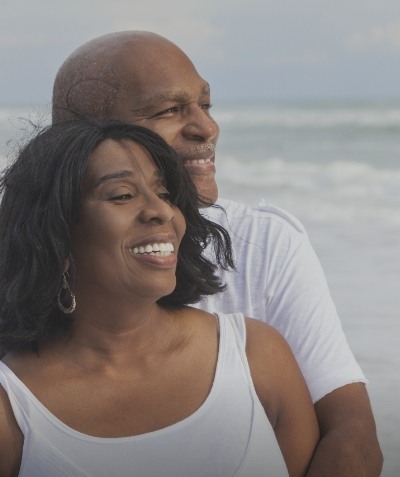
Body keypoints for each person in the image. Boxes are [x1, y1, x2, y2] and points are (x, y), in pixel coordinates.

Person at [51, 32, 382, 475]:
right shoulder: (22, 277)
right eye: (169, 110)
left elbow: (352, 438)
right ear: (84, 139)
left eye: (205, 105)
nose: (207, 128)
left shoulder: (260, 244)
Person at [0, 118, 319, 476]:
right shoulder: (11, 407)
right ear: (56, 233)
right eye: (122, 194)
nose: (161, 211)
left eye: (165, 194)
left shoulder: (255, 354)